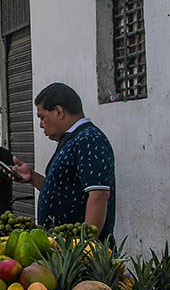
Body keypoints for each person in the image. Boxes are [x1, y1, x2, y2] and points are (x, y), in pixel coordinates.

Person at [10, 83, 117, 239]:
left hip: (78, 255)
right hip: (62, 250)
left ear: (59, 112)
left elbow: (99, 195)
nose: (40, 124)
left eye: (42, 117)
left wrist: (84, 248)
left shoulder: (88, 140)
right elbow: (62, 191)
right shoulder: (72, 141)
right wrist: (32, 177)